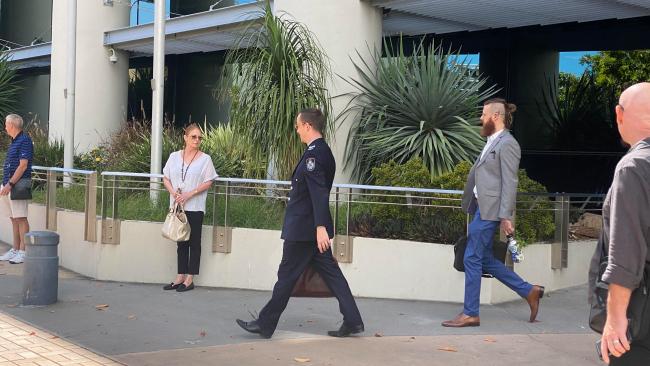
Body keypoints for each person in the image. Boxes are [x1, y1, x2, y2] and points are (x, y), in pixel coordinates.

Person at [236, 108, 364, 338]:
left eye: (297, 126)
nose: (296, 131)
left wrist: (320, 227)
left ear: (307, 126)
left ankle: (265, 324)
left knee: (286, 276)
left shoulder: (314, 155)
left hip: (305, 231)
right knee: (333, 276)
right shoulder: (323, 152)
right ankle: (353, 321)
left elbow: (318, 193)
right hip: (311, 231)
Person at [442, 98, 544, 327]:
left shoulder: (508, 144)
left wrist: (506, 215)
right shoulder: (492, 141)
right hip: (481, 207)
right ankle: (529, 291)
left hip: (490, 211)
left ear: (495, 117)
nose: (481, 118)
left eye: (483, 114)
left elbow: (510, 181)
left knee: (471, 256)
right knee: (484, 258)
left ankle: (470, 313)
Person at [591, 82, 650, 365]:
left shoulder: (635, 166)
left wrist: (614, 320)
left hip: (641, 320)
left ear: (620, 114)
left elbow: (626, 255)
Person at [161, 123, 218, 292]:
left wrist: (189, 194)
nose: (197, 140)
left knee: (194, 242)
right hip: (178, 206)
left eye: (200, 137)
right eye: (193, 136)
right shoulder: (173, 157)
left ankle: (190, 278)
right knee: (181, 242)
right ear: (185, 137)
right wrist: (175, 194)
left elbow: (209, 182)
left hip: (195, 206)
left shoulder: (205, 159)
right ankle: (180, 276)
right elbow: (166, 178)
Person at [0, 114, 33, 265]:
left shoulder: (24, 140)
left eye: (6, 124)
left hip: (16, 185)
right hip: (8, 184)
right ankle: (15, 249)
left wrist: (10, 184)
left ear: (12, 125)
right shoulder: (14, 141)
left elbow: (23, 165)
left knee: (21, 218)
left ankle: (23, 251)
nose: (5, 127)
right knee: (14, 218)